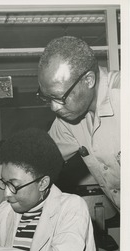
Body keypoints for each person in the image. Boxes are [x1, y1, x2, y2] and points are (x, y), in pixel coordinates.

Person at [37, 36, 120, 211]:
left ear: (88, 80)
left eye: (59, 97)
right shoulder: (68, 118)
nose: (54, 107)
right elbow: (37, 164)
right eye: (47, 98)